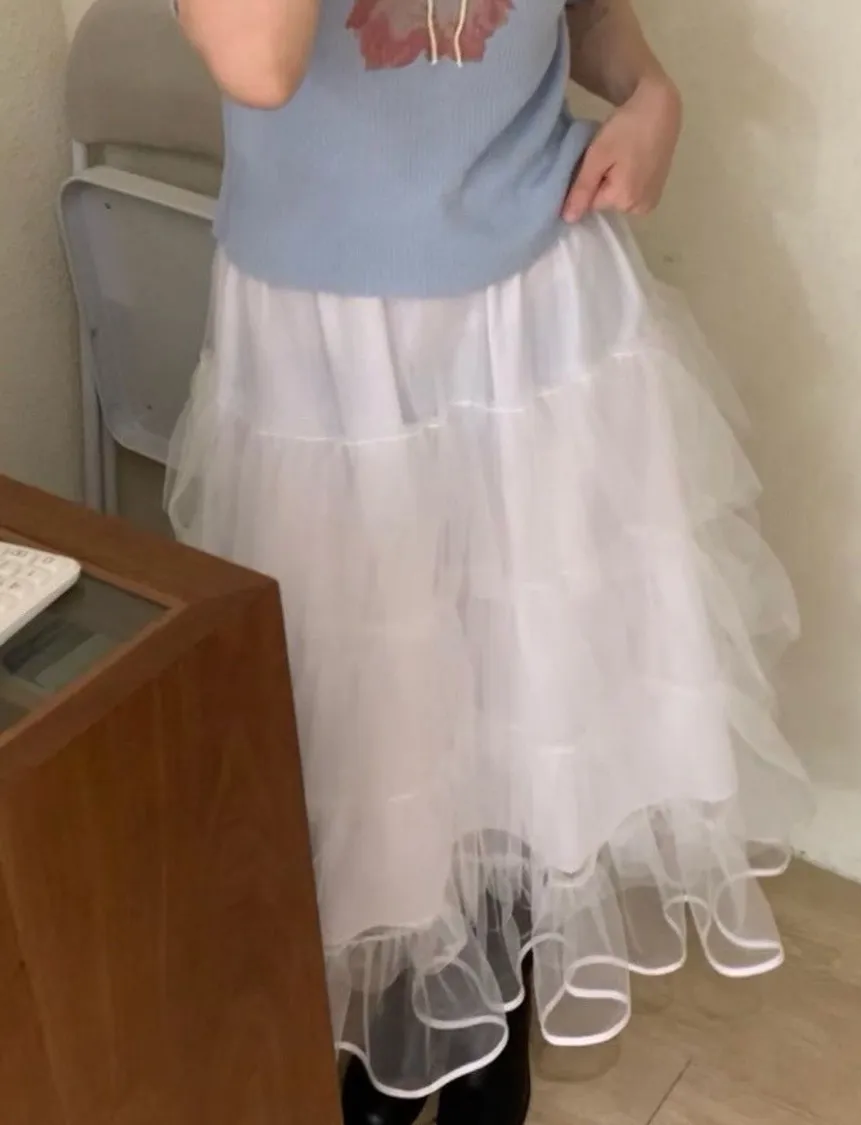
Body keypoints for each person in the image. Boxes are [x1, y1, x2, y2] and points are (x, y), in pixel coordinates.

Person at [167, 2, 812, 1123]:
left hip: (537, 304)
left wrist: (654, 94)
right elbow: (260, 62)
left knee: (525, 685)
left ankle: (488, 1024)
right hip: (328, 337)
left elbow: (586, 12)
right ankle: (398, 1025)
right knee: (368, 712)